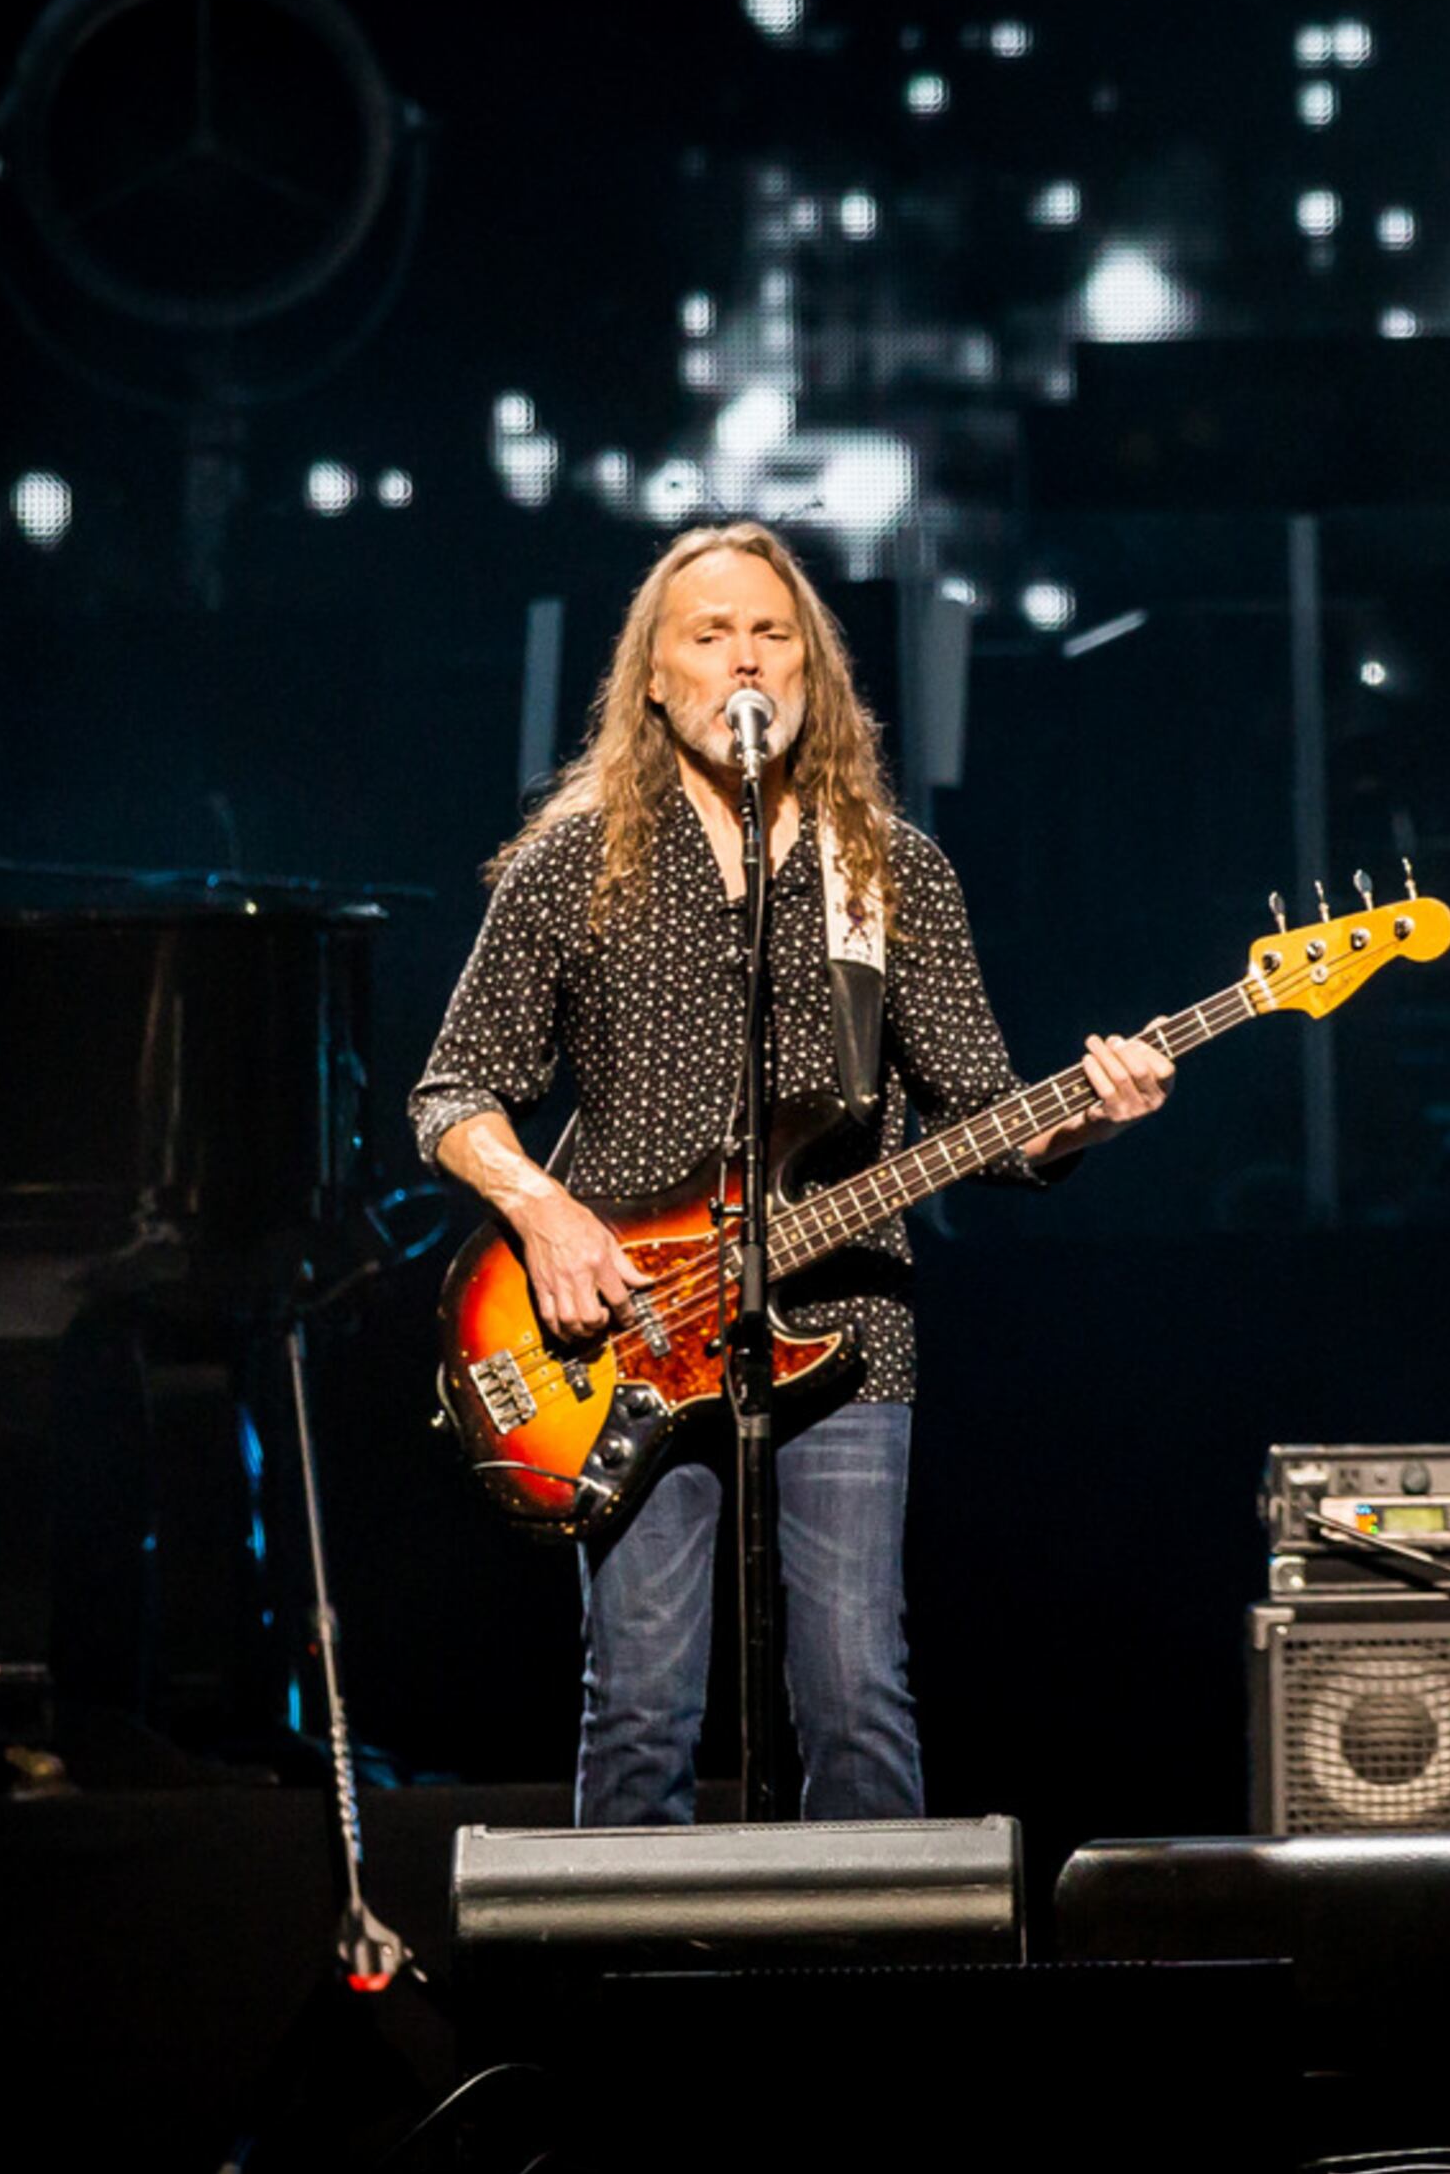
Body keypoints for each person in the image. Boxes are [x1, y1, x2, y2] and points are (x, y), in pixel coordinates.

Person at [412, 521, 1172, 1825]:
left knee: (857, 1688)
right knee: (641, 1694)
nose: (743, 659)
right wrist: (543, 1212)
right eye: (709, 635)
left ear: (810, 674)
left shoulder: (890, 872)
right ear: (654, 676)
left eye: (771, 634)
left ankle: (870, 2002)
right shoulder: (572, 864)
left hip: (847, 1334)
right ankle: (626, 2006)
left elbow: (986, 1114)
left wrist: (1085, 1120)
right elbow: (452, 1091)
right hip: (624, 1334)